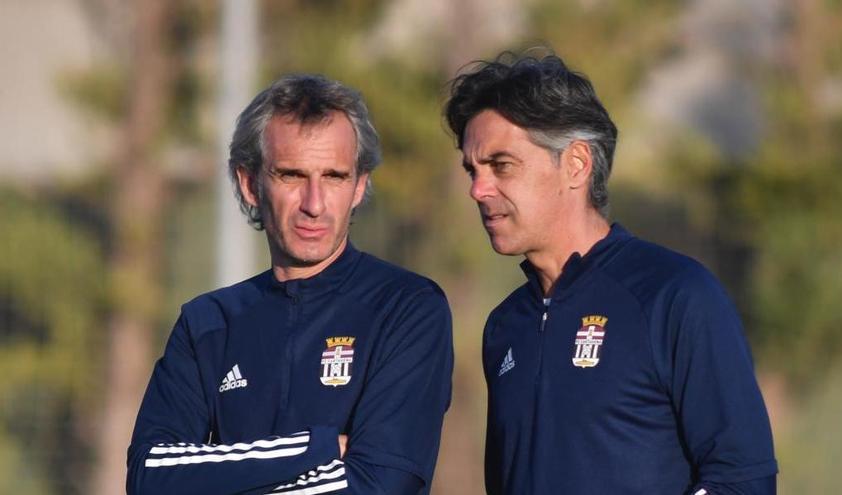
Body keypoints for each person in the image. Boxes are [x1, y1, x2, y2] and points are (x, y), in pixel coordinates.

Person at [444, 52, 778, 494]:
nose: (478, 189)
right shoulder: (506, 326)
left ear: (577, 164)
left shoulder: (675, 295)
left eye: (501, 165)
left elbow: (743, 480)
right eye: (473, 169)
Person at [127, 74, 453, 495]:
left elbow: (379, 486)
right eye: (292, 176)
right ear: (250, 184)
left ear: (359, 187)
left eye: (334, 177)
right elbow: (150, 476)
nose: (314, 204)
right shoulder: (208, 323)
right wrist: (315, 449)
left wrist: (218, 477)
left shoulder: (407, 307)